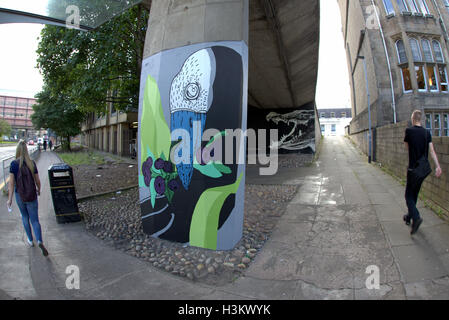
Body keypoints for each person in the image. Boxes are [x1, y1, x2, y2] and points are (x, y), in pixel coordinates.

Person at [7, 140, 49, 256]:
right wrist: (39, 190)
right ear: (26, 150)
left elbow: (11, 184)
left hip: (19, 195)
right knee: (35, 219)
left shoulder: (13, 164)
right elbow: (38, 181)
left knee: (25, 217)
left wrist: (9, 199)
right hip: (31, 195)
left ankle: (30, 240)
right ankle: (40, 240)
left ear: (18, 150)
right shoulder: (32, 163)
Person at [403, 110, 442, 235]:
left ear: (413, 119)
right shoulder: (426, 133)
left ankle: (416, 217)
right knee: (414, 194)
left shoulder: (409, 131)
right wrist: (438, 166)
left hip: (412, 169)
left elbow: (407, 148)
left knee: (408, 196)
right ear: (421, 119)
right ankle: (409, 217)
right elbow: (432, 151)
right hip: (423, 171)